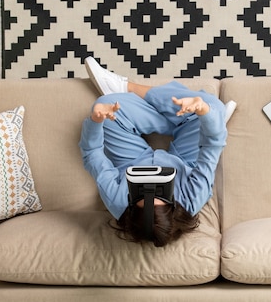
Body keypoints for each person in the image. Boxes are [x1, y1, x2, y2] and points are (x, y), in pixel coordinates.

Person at [79, 57, 234, 247]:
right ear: (174, 206)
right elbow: (211, 146)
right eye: (162, 192)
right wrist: (204, 114)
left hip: (132, 160)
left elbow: (92, 153)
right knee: (212, 108)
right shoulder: (192, 199)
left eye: (141, 193)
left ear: (130, 208)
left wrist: (96, 121)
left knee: (105, 103)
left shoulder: (118, 202)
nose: (151, 183)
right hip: (184, 159)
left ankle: (132, 91)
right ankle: (194, 118)